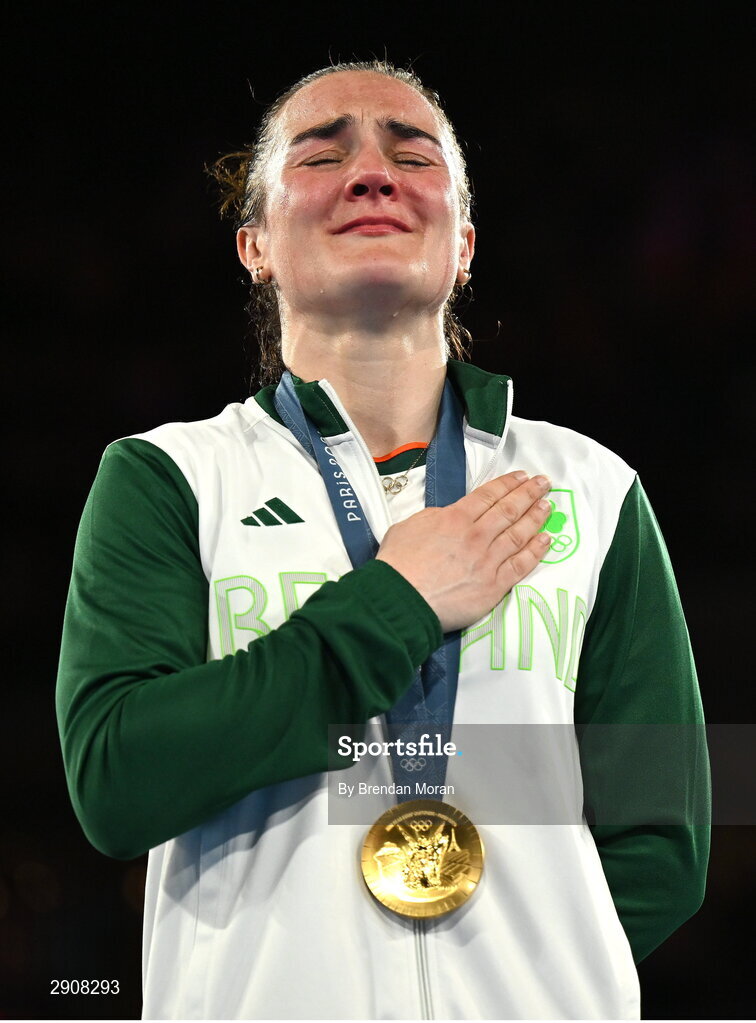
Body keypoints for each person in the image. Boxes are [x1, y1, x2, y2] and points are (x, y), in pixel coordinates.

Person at [56, 60, 710, 1020]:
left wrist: (526, 980)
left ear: (465, 243)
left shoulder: (591, 487)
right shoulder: (172, 478)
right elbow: (118, 778)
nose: (373, 173)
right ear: (256, 245)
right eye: (324, 156)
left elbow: (665, 832)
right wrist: (394, 604)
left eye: (414, 155)